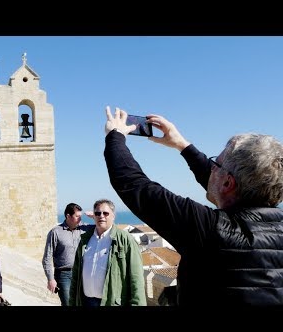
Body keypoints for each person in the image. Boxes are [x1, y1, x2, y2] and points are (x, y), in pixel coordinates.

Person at [103, 106, 283, 306]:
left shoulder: (210, 229)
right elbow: (221, 183)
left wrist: (115, 136)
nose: (211, 167)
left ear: (228, 183)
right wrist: (182, 145)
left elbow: (133, 184)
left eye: (216, 164)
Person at [69, 199, 146, 306]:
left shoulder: (125, 240)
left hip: (112, 303)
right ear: (94, 216)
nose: (101, 216)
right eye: (97, 213)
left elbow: (136, 278)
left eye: (105, 213)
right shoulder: (85, 240)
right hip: (85, 301)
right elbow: (75, 276)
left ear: (113, 216)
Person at [42, 203, 93, 306]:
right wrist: (50, 279)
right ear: (68, 216)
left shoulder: (85, 228)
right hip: (63, 275)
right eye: (77, 216)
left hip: (82, 274)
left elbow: (104, 227)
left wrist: (94, 216)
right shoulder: (55, 232)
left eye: (80, 216)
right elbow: (47, 258)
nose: (80, 219)